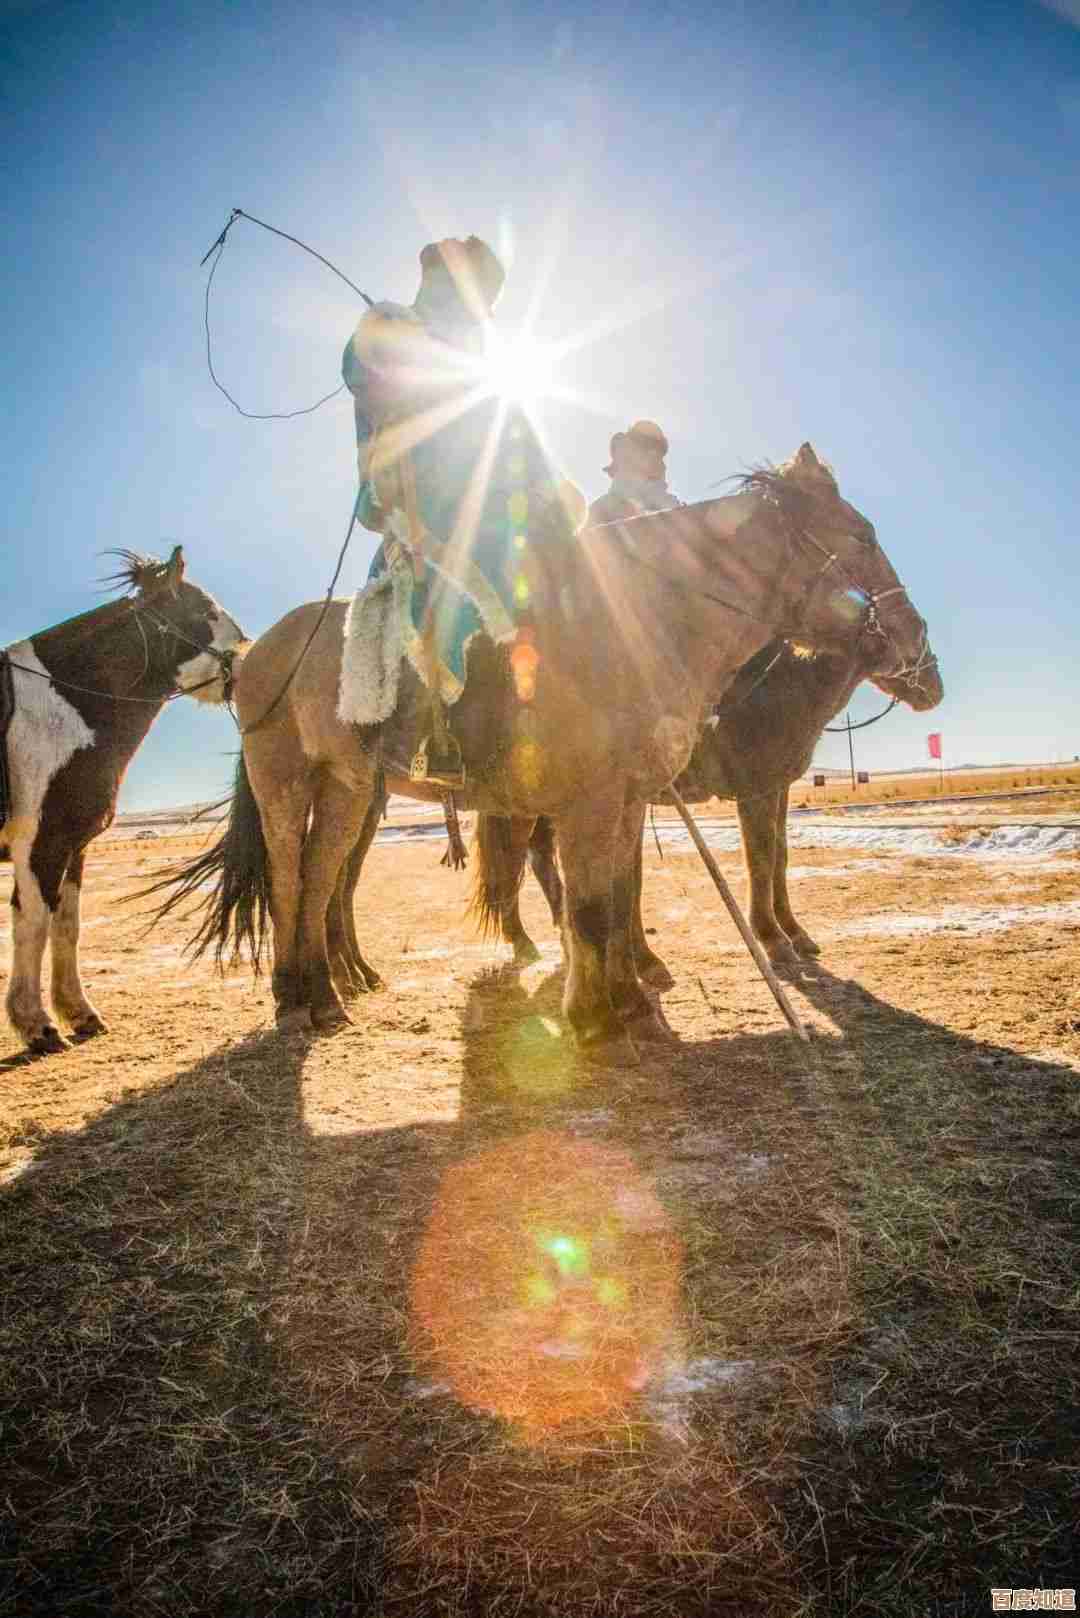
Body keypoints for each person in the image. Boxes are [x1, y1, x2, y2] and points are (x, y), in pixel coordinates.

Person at [341, 237, 569, 786]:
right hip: (422, 507)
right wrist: (390, 347)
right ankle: (439, 734)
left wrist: (548, 493)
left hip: (489, 509)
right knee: (463, 594)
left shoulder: (485, 360)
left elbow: (517, 432)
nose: (480, 307)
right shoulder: (395, 326)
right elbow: (359, 372)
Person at [587, 419, 681, 525]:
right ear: (622, 450)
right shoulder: (599, 510)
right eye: (645, 445)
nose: (654, 458)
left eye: (658, 453)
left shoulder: (674, 510)